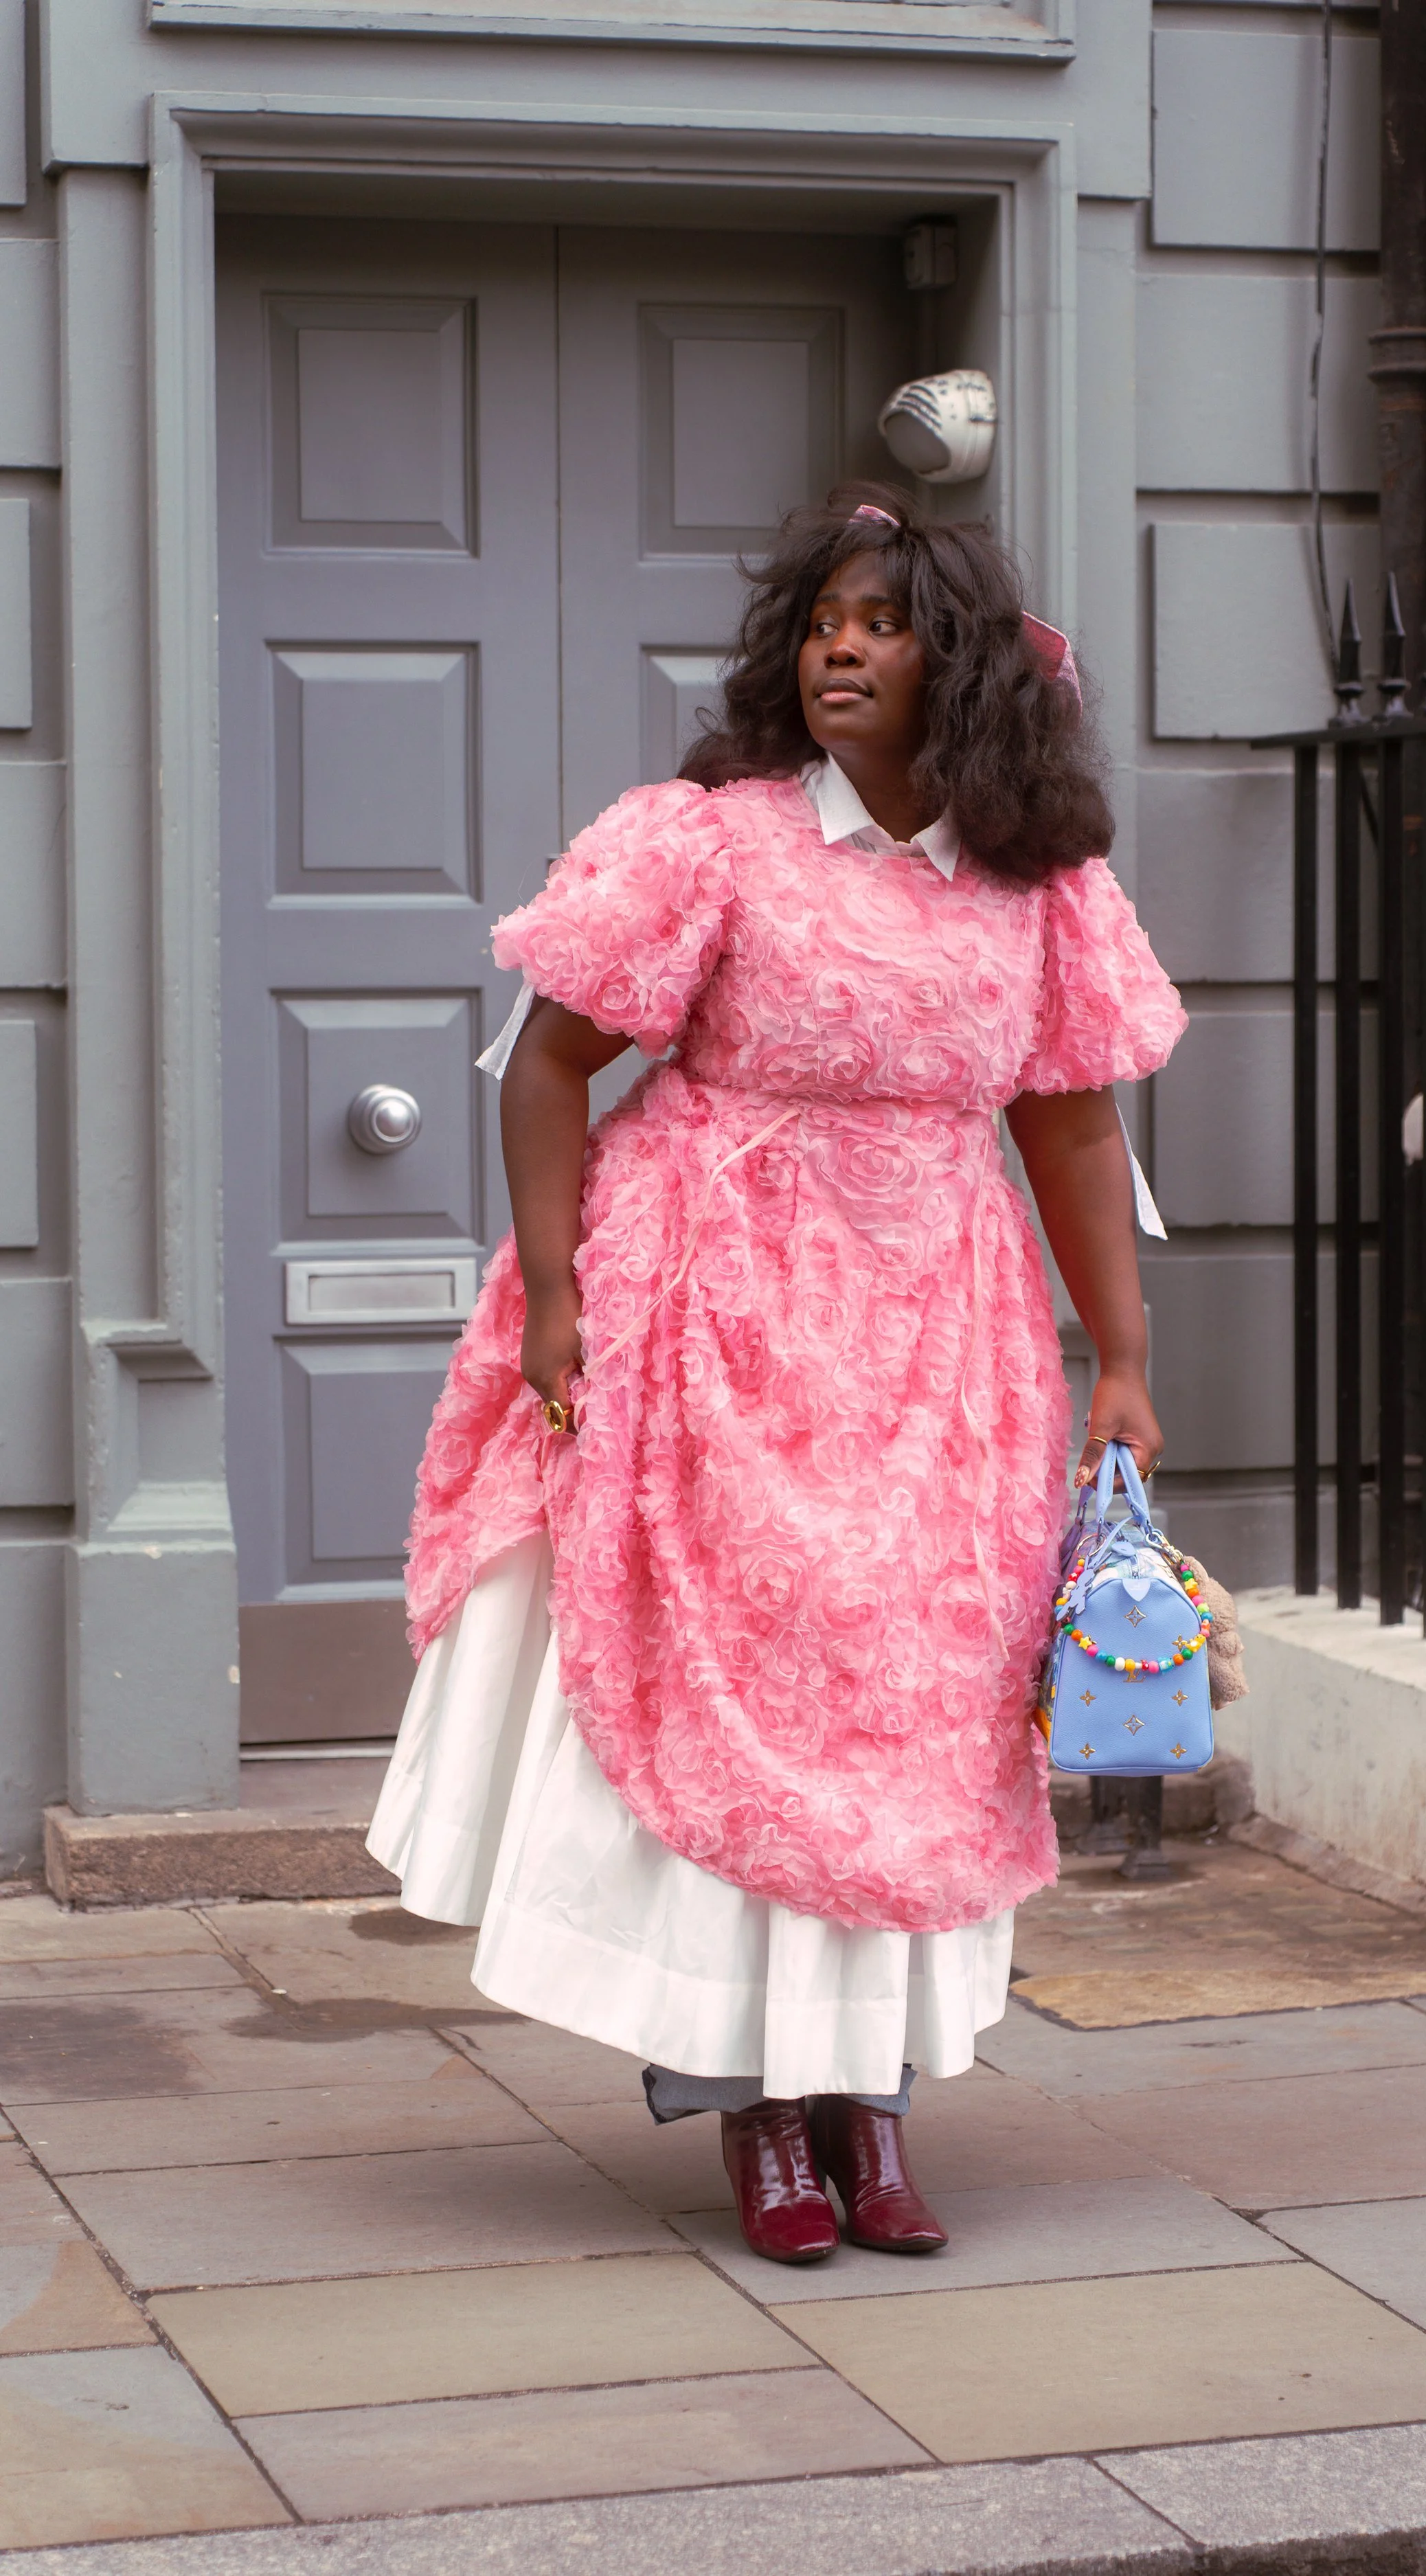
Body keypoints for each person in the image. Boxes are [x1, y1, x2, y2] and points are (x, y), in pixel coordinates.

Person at [367, 483, 1186, 2264]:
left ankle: (870, 2104)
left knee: (918, 1708)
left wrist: (1120, 1354)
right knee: (740, 1694)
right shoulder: (710, 845)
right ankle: (755, 2112)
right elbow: (550, 1061)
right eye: (823, 620)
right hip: (716, 1310)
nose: (842, 648)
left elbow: (1066, 1124)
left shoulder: (1032, 884)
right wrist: (555, 1299)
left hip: (945, 1342)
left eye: (884, 623)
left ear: (959, 663)